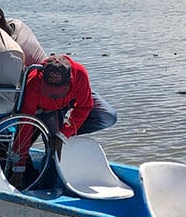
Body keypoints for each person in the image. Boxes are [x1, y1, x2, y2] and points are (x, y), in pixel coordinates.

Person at [9, 54, 117, 188]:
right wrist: (18, 167)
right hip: (45, 110)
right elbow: (25, 123)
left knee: (108, 116)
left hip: (71, 100)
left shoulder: (79, 74)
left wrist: (64, 133)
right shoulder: (33, 82)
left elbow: (84, 106)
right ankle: (43, 180)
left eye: (57, 91)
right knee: (49, 150)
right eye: (49, 91)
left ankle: (61, 139)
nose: (53, 94)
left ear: (69, 80)